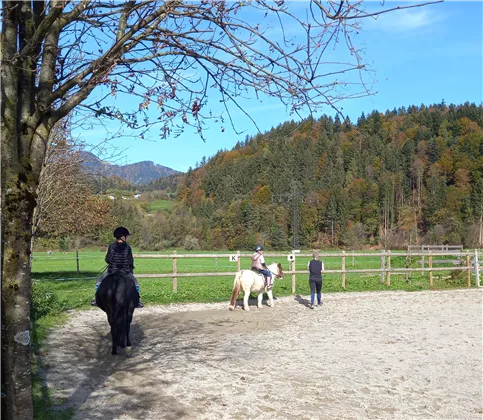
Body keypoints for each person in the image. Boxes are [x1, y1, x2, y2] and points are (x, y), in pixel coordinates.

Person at [91, 226, 144, 308]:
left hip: (112, 271)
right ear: (123, 237)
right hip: (125, 272)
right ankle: (137, 301)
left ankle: (96, 299)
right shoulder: (127, 247)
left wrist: (111, 262)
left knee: (99, 281)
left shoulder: (111, 246)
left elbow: (107, 259)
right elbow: (130, 262)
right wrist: (130, 272)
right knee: (135, 284)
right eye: (126, 236)